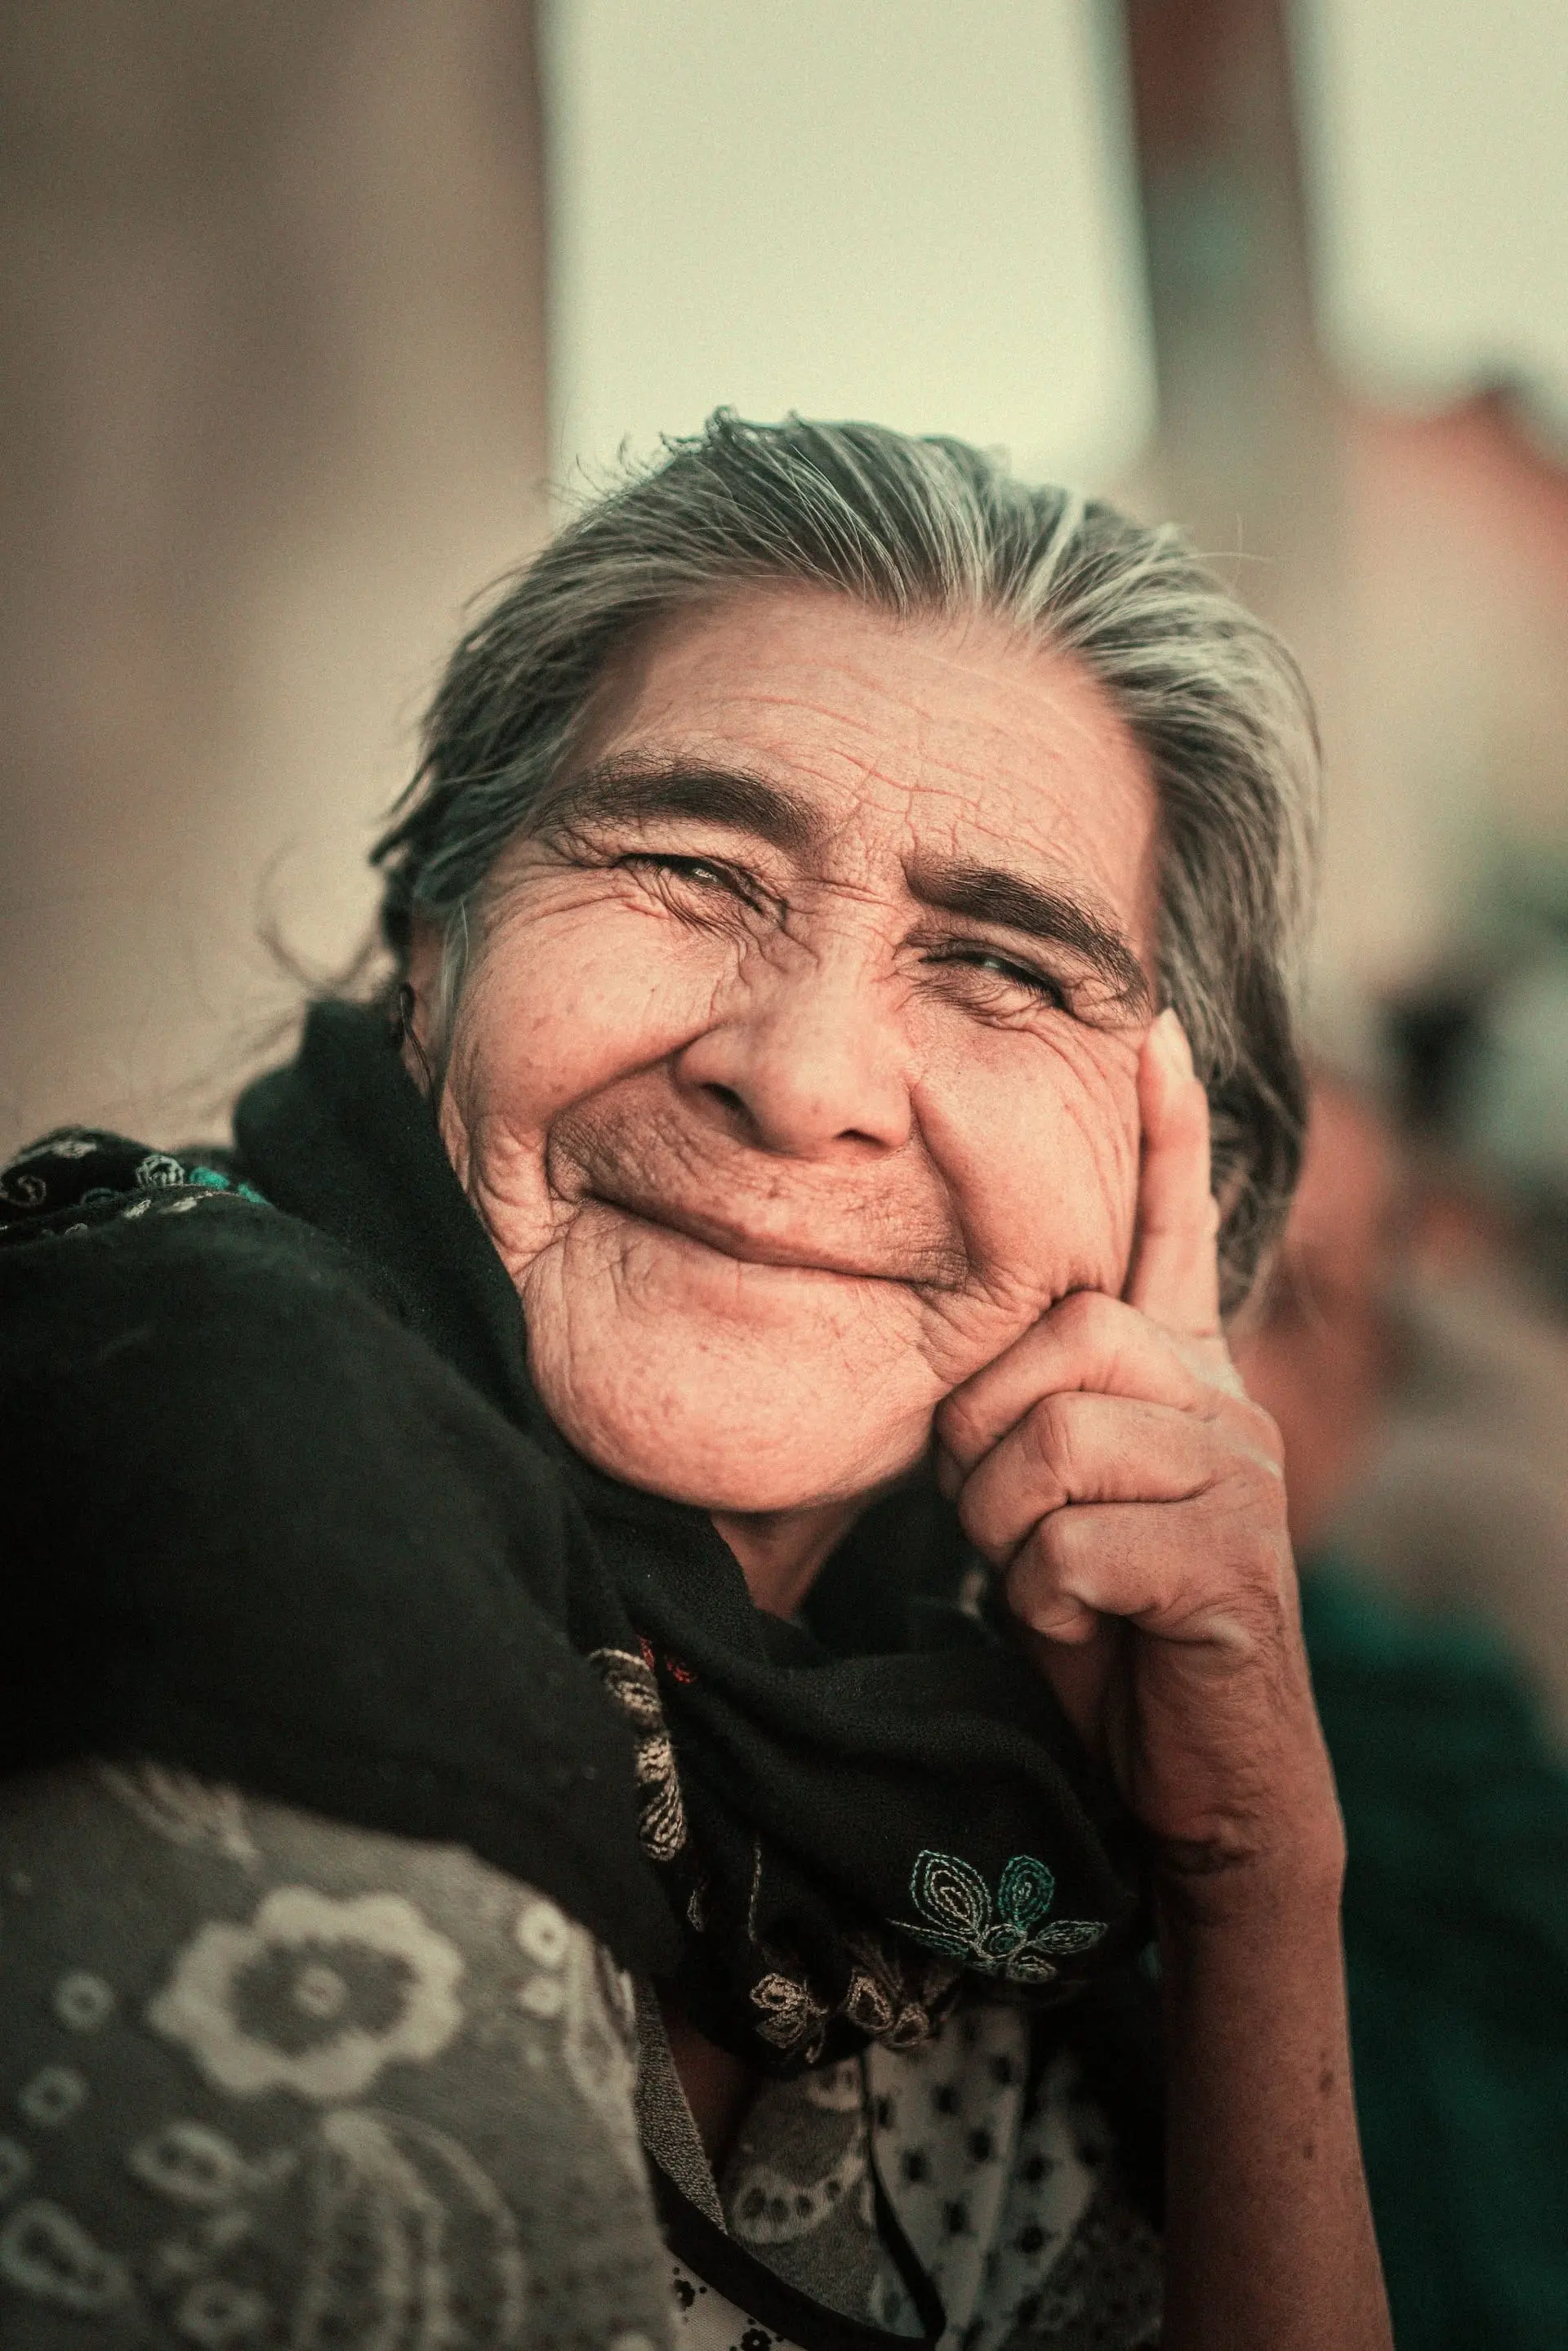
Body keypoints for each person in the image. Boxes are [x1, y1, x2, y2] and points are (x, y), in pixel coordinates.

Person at [0, 415, 1391, 2350]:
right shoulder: (196, 1467)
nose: (803, 1074)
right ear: (434, 947)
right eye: (688, 863)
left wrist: (1254, 1877)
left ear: (1173, 1173)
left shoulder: (954, 1753)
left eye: (998, 965)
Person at [1235, 1069, 1568, 2351]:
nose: (1208, 1346)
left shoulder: (1448, 1727)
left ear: (1373, 1370)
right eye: (1183, 1256)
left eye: (1292, 1296)